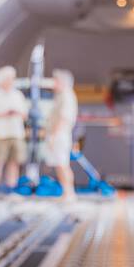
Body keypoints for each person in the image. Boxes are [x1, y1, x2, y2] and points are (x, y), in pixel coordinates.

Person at [0, 66, 29, 191]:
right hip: (0, 135)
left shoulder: (17, 95)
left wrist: (16, 114)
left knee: (14, 163)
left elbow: (25, 115)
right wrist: (3, 115)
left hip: (17, 134)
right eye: (9, 78)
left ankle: (12, 189)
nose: (11, 81)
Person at [47, 69, 79, 200]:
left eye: (56, 81)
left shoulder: (67, 95)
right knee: (60, 165)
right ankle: (66, 192)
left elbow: (63, 118)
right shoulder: (60, 95)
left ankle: (69, 192)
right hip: (57, 134)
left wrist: (54, 136)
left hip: (60, 134)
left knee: (63, 164)